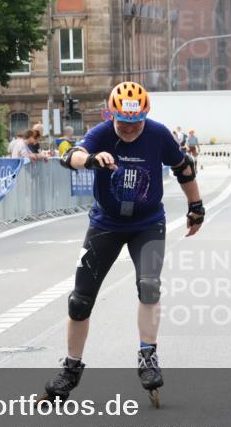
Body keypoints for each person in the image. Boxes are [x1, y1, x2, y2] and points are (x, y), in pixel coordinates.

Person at [42, 82, 204, 407]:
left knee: (149, 286)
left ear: (145, 116)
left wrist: (195, 207)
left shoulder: (157, 134)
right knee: (79, 300)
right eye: (122, 122)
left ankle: (147, 356)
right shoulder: (102, 133)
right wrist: (90, 159)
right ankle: (71, 368)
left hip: (147, 224)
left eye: (136, 122)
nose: (129, 129)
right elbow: (69, 156)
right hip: (106, 224)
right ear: (111, 114)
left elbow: (183, 167)